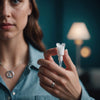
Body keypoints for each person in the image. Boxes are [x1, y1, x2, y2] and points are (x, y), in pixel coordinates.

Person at [0, 0, 95, 100]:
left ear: (30, 7)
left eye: (15, 1)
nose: (5, 12)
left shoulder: (57, 69)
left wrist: (77, 97)